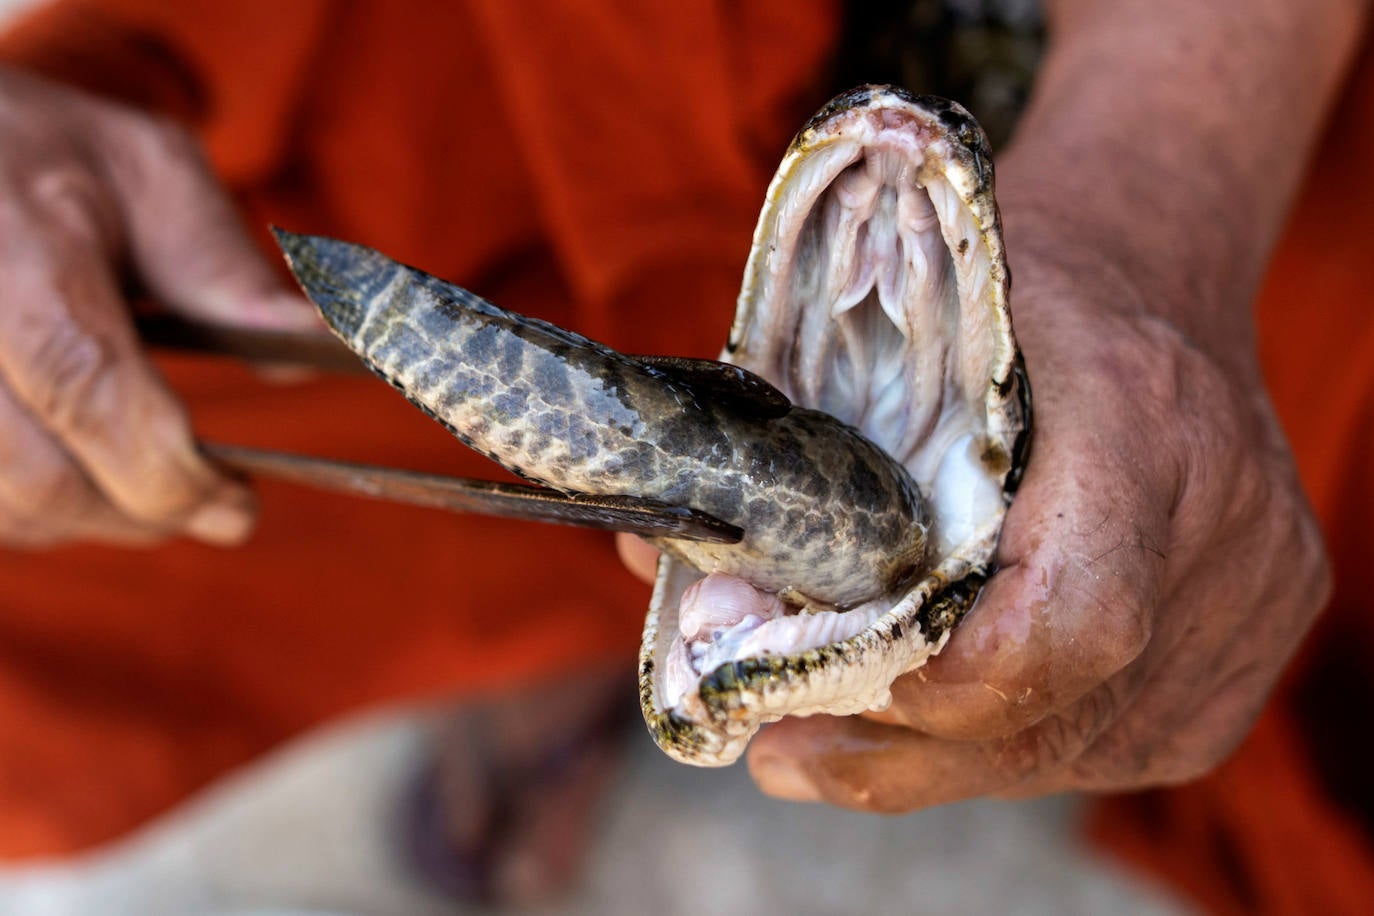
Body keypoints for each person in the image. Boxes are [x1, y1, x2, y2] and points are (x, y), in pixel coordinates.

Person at [0, 0, 1369, 911]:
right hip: (539, 90)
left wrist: (1165, 194)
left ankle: (599, 590)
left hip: (1176, 95)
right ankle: (584, 601)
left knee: (1221, 608)